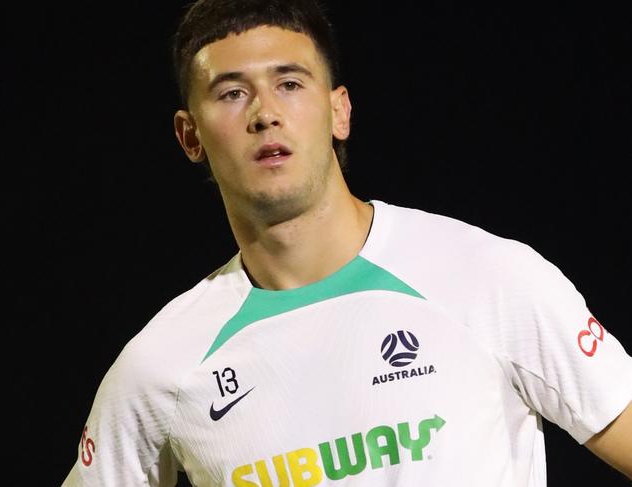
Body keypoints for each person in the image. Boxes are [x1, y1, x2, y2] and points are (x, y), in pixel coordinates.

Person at [62, 0, 632, 485]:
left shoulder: (489, 278)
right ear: (190, 136)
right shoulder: (160, 365)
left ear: (339, 110)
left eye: (289, 84)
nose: (265, 114)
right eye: (232, 93)